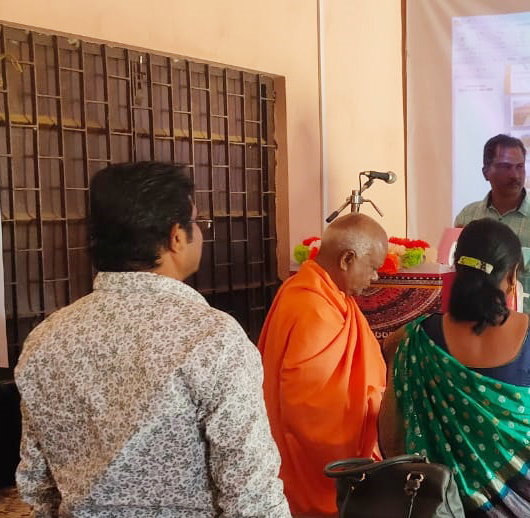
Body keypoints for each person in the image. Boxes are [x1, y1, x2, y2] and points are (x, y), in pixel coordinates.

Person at [15, 162, 290, 518]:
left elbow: (38, 485)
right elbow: (251, 493)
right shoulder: (212, 339)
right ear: (176, 236)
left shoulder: (45, 340)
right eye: (197, 222)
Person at [379, 218, 530, 518]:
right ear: (512, 276)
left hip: (439, 504)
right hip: (525, 506)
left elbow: (392, 434)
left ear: (457, 269)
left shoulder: (414, 338)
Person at [257, 213, 388, 516]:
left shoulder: (317, 292)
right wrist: (376, 403)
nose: (375, 278)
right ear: (347, 259)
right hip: (314, 469)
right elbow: (311, 411)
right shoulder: (312, 308)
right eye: (372, 267)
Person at [455, 134, 530, 317]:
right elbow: (456, 263)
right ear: (486, 172)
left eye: (520, 167)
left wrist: (510, 255)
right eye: (505, 167)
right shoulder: (468, 215)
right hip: (479, 320)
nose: (515, 175)